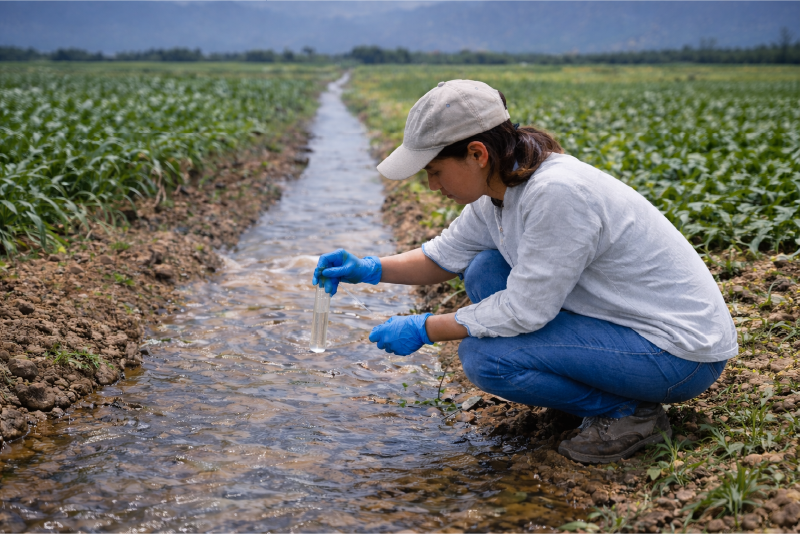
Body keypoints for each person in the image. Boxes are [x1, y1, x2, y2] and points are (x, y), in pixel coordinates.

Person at [312, 79, 737, 464]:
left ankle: (628, 413)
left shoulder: (557, 194)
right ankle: (587, 391)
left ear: (477, 154)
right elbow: (443, 257)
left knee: (486, 359)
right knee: (484, 269)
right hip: (625, 326)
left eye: (435, 171)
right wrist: (366, 269)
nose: (431, 186)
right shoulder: (496, 192)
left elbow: (525, 311)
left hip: (678, 354)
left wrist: (426, 328)